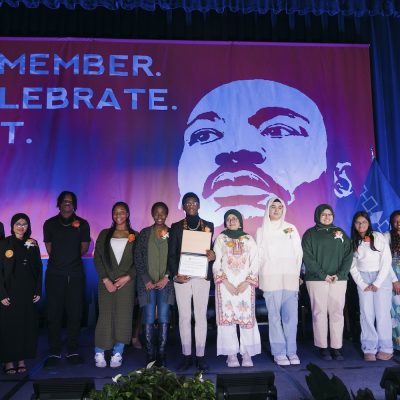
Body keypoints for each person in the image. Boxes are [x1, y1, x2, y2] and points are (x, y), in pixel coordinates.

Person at [178, 79, 333, 227]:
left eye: (277, 130)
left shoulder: (294, 234)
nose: (238, 152)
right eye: (204, 135)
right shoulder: (194, 230)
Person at [167, 192, 215, 372]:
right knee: (185, 317)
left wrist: (213, 255)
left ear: (199, 205)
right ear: (183, 206)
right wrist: (175, 275)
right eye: (188, 203)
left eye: (194, 202)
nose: (191, 205)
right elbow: (171, 255)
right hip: (182, 277)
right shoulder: (176, 227)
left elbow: (212, 253)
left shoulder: (209, 226)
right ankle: (186, 355)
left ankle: (201, 356)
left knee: (201, 316)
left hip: (202, 277)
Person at [43, 191, 90, 368]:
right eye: (64, 201)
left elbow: (84, 248)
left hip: (75, 275)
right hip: (55, 274)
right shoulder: (49, 224)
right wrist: (62, 260)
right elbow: (49, 249)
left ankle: (73, 349)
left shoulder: (83, 224)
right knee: (53, 315)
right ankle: (54, 350)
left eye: (70, 201)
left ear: (75, 204)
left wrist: (69, 259)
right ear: (59, 203)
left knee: (74, 314)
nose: (67, 203)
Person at [302, 204, 352, 360]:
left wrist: (340, 274)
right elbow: (308, 258)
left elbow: (348, 255)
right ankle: (323, 346)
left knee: (337, 312)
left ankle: (336, 347)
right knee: (319, 313)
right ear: (317, 215)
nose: (327, 217)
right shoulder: (309, 234)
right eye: (323, 214)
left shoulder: (340, 233)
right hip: (317, 280)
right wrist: (323, 275)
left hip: (338, 279)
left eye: (329, 214)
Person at [256, 197, 303, 366]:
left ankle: (291, 351)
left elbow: (298, 253)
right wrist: (259, 276)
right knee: (274, 317)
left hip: (290, 278)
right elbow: (259, 256)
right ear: (267, 209)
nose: (276, 210)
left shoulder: (291, 228)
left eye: (279, 207)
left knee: (291, 317)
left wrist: (296, 274)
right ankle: (279, 352)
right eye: (273, 207)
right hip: (270, 278)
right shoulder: (262, 230)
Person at [213, 209, 260, 367]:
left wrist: (246, 282)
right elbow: (216, 262)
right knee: (227, 318)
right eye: (229, 219)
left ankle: (246, 354)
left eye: (235, 218)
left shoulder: (248, 239)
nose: (232, 221)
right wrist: (226, 283)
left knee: (246, 318)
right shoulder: (221, 238)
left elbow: (256, 262)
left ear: (240, 221)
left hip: (245, 286)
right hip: (226, 286)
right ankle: (231, 354)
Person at [93, 202, 138, 368]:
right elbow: (97, 257)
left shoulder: (135, 235)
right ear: (112, 215)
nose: (118, 215)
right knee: (105, 316)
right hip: (106, 282)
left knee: (124, 317)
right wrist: (105, 279)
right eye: (115, 212)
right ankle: (99, 352)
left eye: (122, 212)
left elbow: (139, 262)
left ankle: (117, 352)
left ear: (127, 214)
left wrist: (127, 277)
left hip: (127, 283)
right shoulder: (105, 234)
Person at [0, 214, 42, 374]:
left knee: (25, 326)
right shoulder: (4, 243)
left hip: (27, 292)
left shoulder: (32, 243)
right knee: (9, 327)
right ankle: (9, 361)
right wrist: (1, 293)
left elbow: (38, 269)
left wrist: (38, 290)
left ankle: (22, 359)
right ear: (12, 226)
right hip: (8, 292)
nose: (21, 227)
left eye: (24, 224)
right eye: (18, 223)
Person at [135, 202, 175, 367]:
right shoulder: (144, 233)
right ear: (152, 214)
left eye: (163, 213)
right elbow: (138, 256)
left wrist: (167, 277)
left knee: (165, 317)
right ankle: (151, 355)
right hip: (148, 284)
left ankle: (162, 354)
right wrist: (146, 280)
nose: (159, 216)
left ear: (167, 214)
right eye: (156, 213)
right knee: (149, 317)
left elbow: (175, 258)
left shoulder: (172, 233)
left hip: (166, 283)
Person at [350, 211, 393, 361]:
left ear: (368, 223)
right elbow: (352, 266)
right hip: (363, 279)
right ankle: (369, 348)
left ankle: (386, 347)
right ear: (354, 225)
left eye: (364, 222)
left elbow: (386, 260)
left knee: (382, 314)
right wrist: (362, 284)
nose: (361, 225)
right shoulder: (353, 242)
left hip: (381, 278)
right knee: (366, 314)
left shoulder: (378, 237)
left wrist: (377, 282)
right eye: (358, 223)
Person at [384, 210, 400, 349]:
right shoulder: (386, 236)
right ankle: (396, 344)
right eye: (396, 221)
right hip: (393, 278)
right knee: (395, 312)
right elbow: (385, 262)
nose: (398, 224)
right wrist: (395, 280)